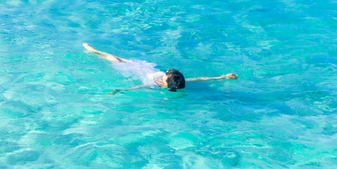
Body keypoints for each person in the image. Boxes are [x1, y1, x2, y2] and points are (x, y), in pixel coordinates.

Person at [83, 43, 238, 94]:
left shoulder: (154, 85)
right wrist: (222, 76)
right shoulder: (177, 81)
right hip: (144, 66)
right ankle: (97, 52)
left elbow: (138, 87)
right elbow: (200, 79)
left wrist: (119, 90)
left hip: (134, 70)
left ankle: (94, 51)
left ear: (165, 82)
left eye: (166, 74)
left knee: (114, 59)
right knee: (119, 58)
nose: (166, 72)